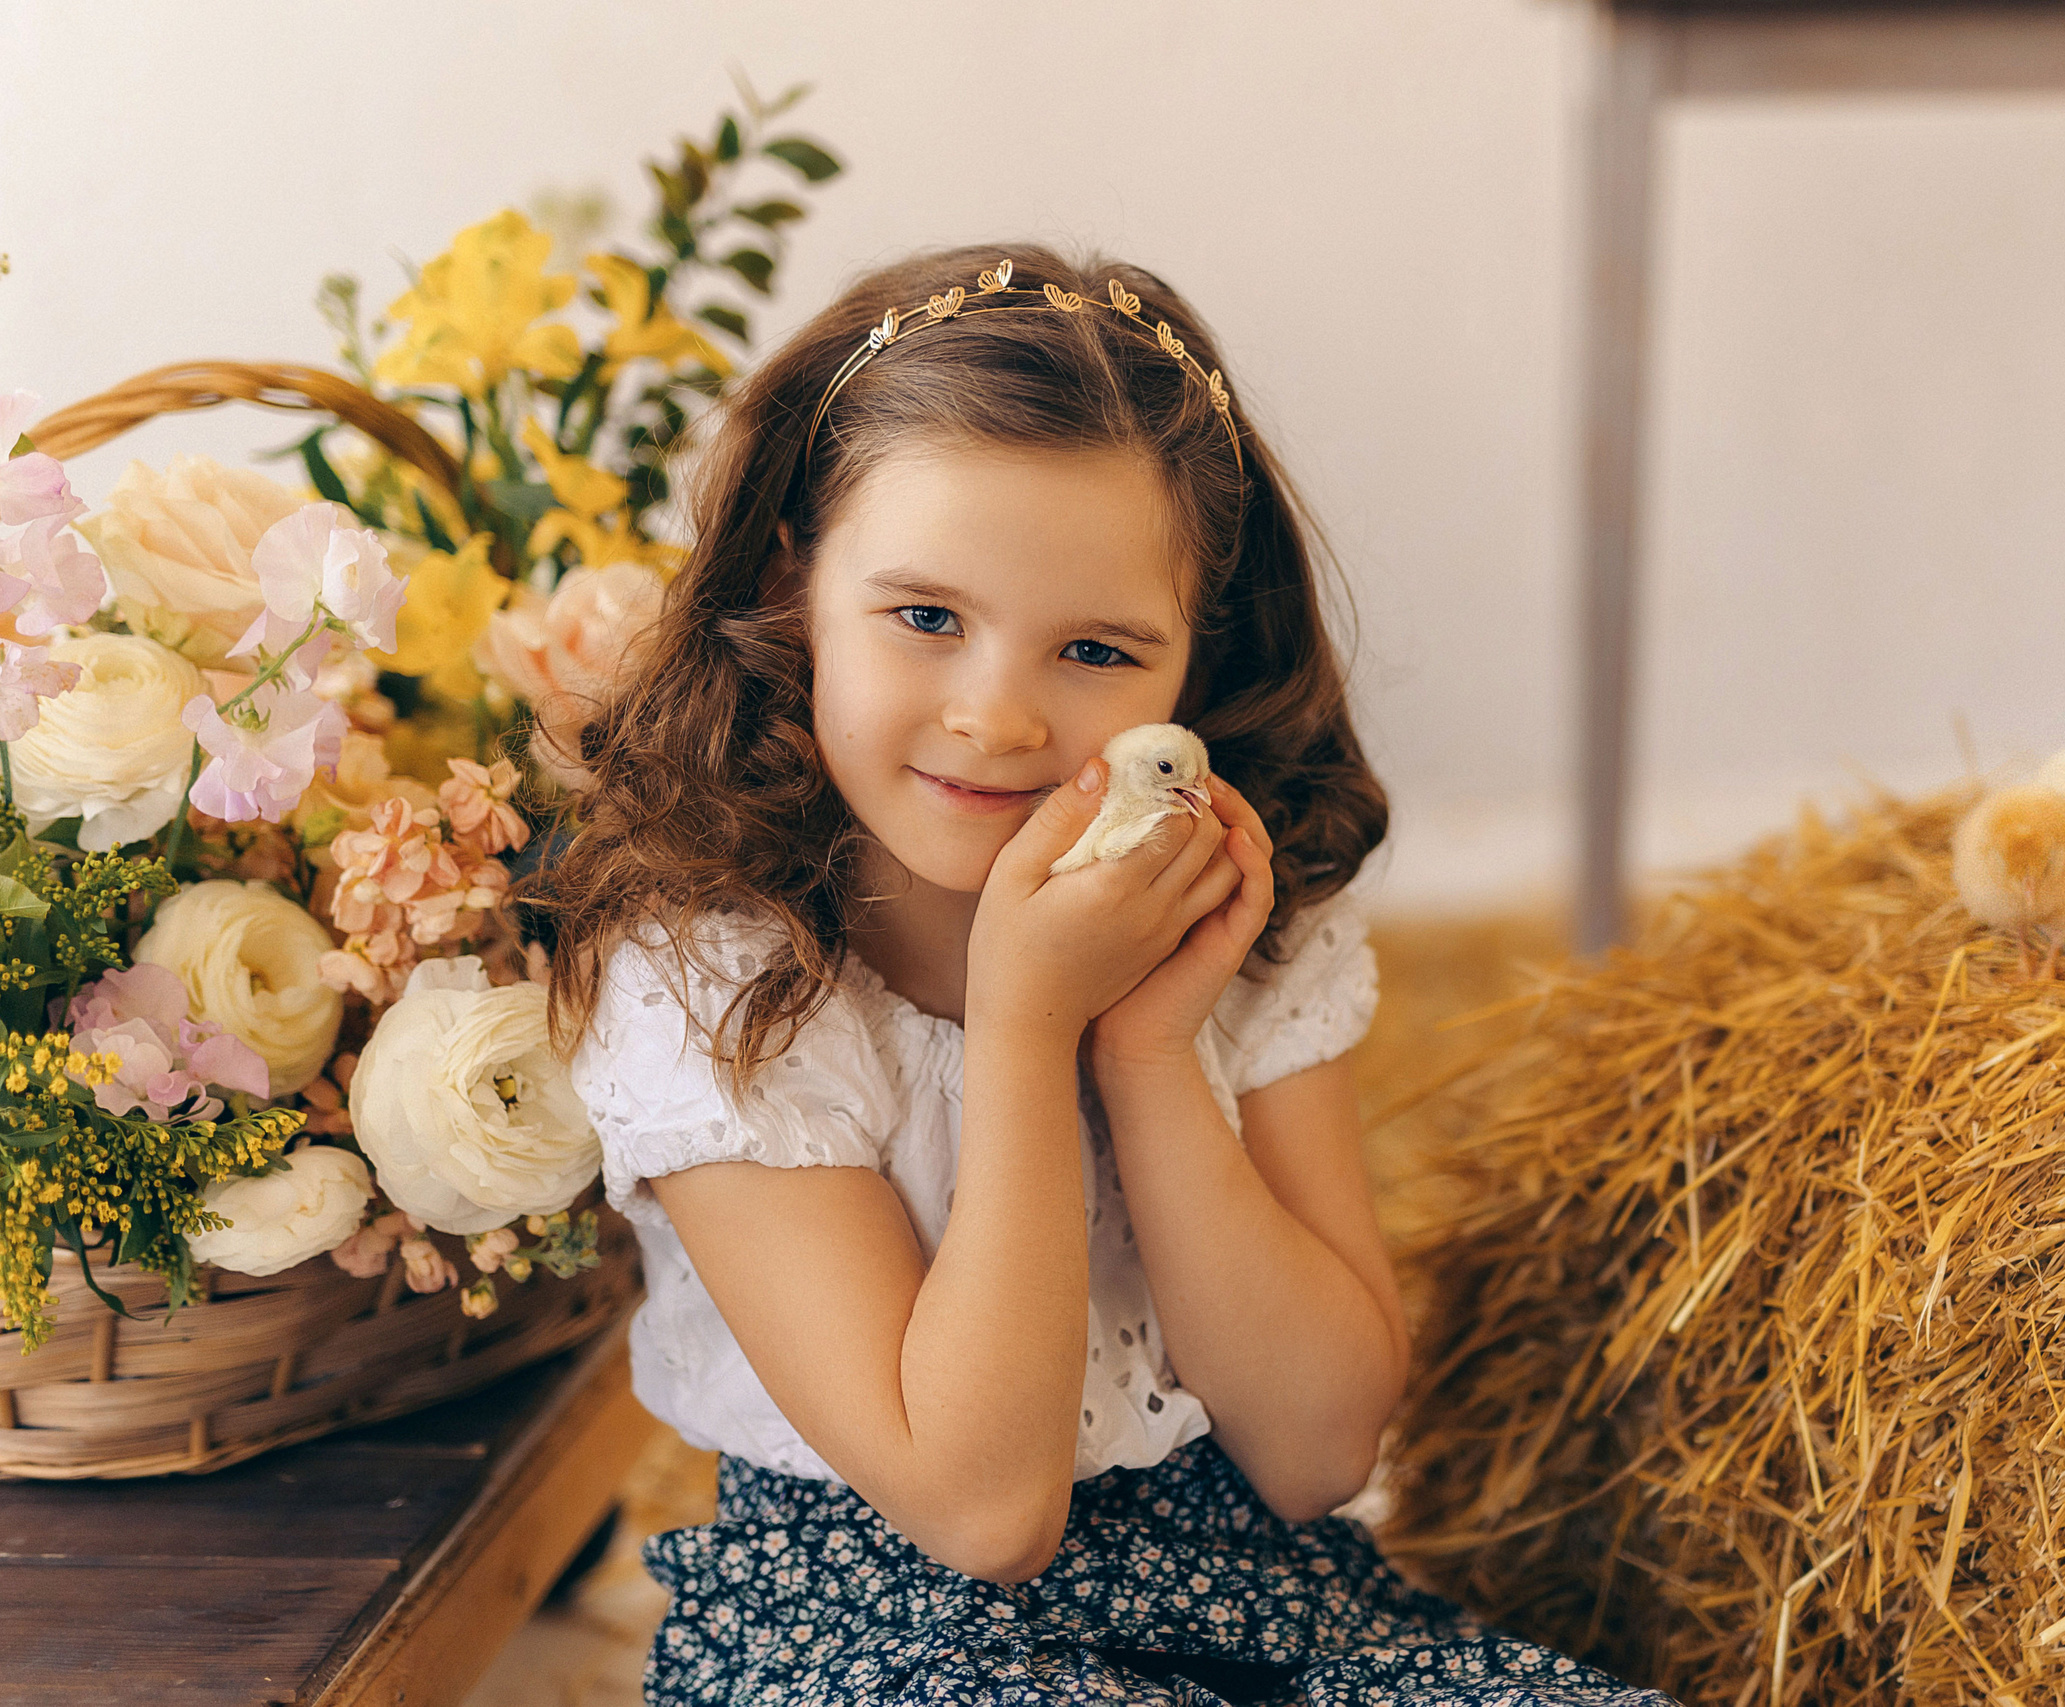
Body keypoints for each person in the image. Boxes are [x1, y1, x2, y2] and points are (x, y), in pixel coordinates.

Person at [543, 243, 1671, 1706]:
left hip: (1266, 1602)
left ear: (1193, 670)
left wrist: (1148, 1053)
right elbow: (981, 1509)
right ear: (792, 584)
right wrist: (1028, 1028)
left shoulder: (1236, 924)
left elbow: (1320, 1448)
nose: (1000, 717)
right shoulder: (715, 979)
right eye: (926, 618)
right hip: (883, 1637)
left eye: (1094, 648)